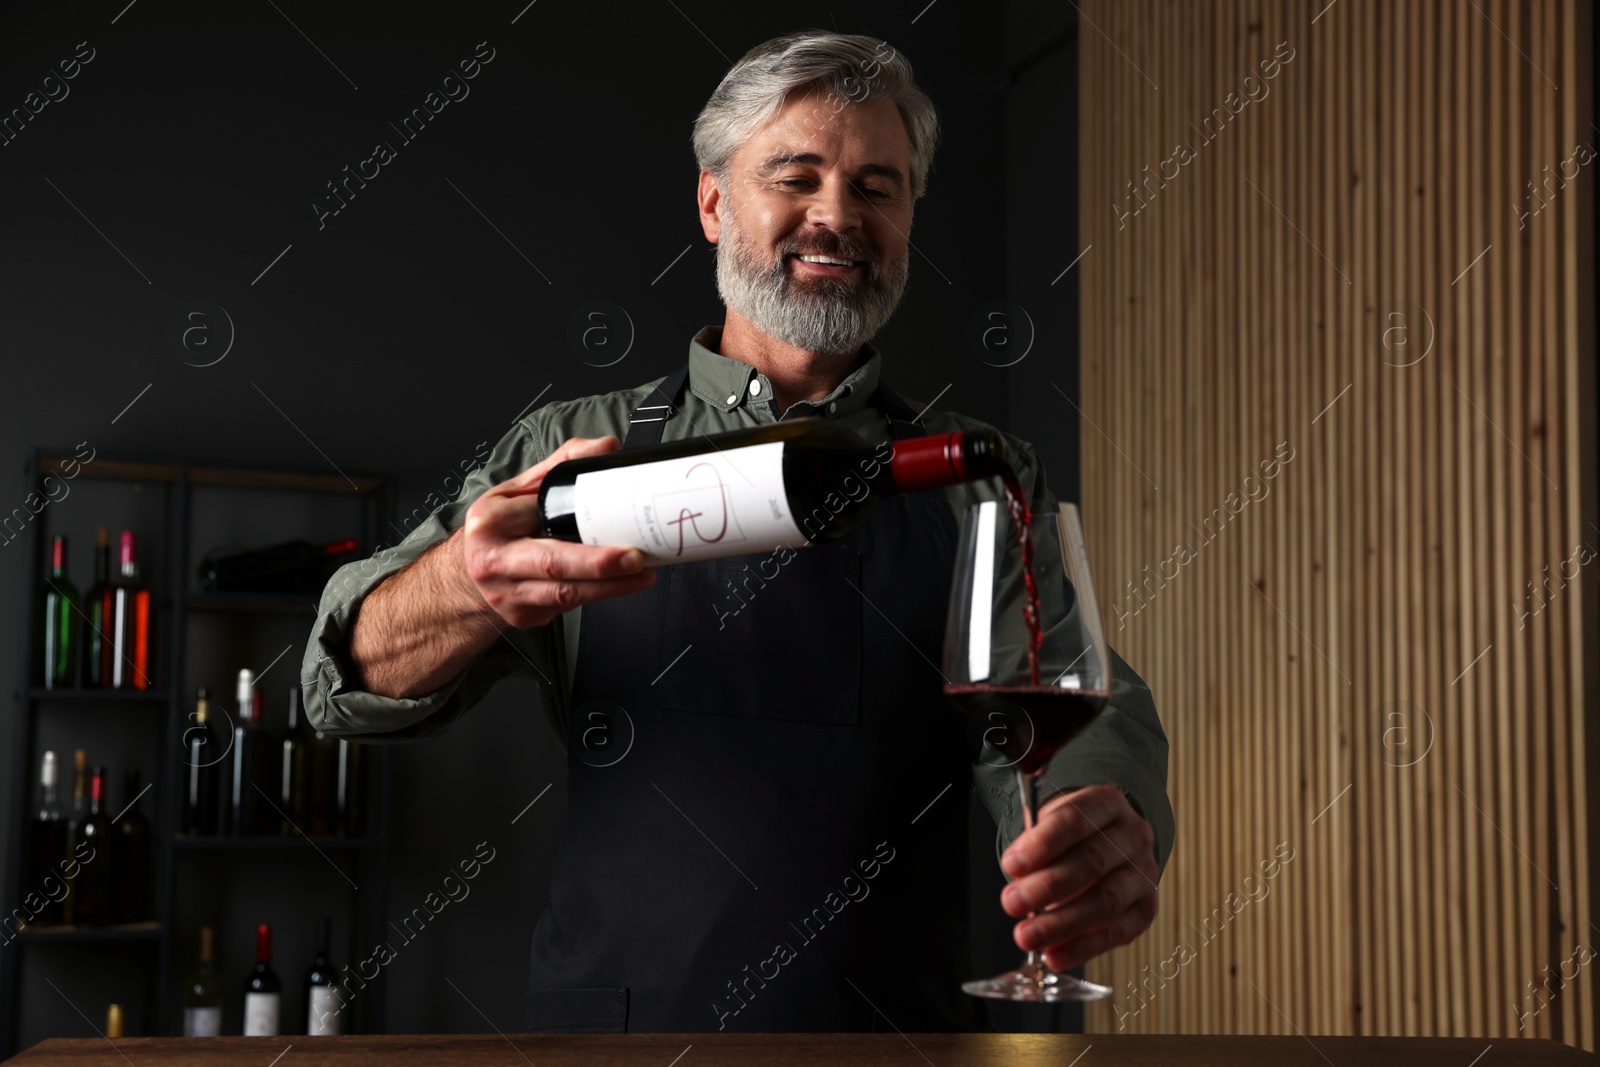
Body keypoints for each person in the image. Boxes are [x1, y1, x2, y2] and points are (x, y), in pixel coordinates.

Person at [302, 29, 1172, 1034]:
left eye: (877, 188)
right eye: (794, 177)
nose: (837, 217)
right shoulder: (571, 452)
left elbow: (1075, 693)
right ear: (714, 200)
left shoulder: (975, 475)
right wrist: (460, 583)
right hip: (616, 1041)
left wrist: (1101, 815)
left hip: (889, 1040)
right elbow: (339, 677)